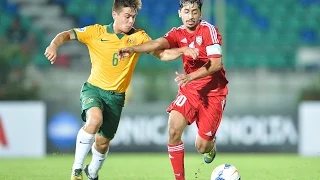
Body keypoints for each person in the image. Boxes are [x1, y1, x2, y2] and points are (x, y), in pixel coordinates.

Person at [44, 0, 197, 180]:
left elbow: (162, 54)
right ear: (114, 14)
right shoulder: (96, 32)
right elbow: (66, 34)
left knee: (102, 142)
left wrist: (182, 51)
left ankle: (92, 171)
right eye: (127, 16)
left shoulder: (139, 37)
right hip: (94, 89)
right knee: (94, 120)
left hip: (116, 98)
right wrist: (54, 45)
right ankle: (76, 171)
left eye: (133, 17)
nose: (131, 21)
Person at [118, 0, 228, 179]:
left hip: (214, 92)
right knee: (174, 129)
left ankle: (210, 147)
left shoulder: (209, 31)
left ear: (200, 14)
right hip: (190, 90)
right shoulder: (177, 33)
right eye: (186, 11)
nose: (190, 16)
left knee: (202, 146)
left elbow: (216, 64)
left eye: (194, 12)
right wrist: (132, 49)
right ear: (180, 13)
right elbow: (156, 44)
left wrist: (191, 76)